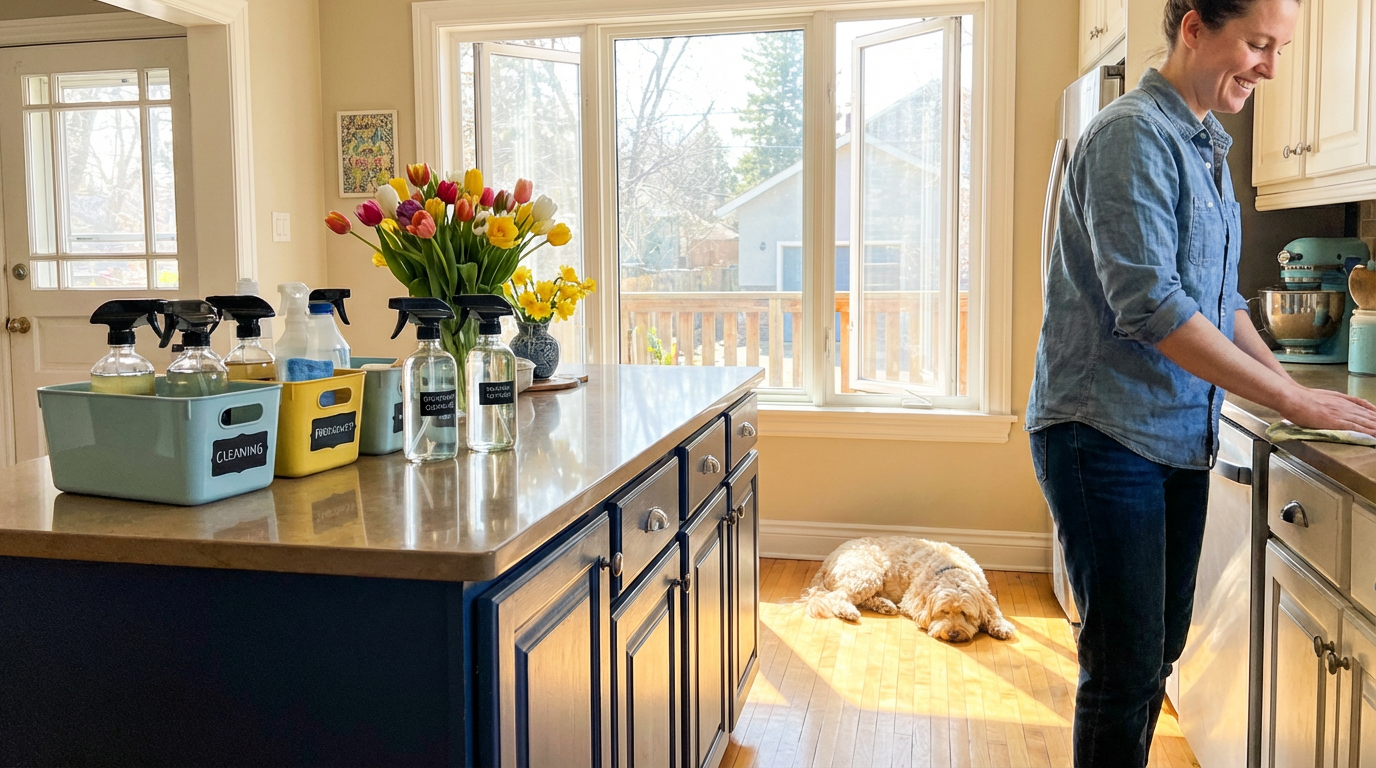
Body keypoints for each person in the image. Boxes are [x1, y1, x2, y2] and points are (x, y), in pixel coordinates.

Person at [1025, 0, 1376, 765]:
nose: (1271, 68)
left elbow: (1219, 304)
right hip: (1103, 432)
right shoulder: (1132, 136)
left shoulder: (1204, 144)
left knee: (1155, 653)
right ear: (1193, 29)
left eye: (1279, 49)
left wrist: (1293, 391)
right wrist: (1288, 397)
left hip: (1176, 433)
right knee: (1123, 669)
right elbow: (1151, 306)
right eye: (1257, 44)